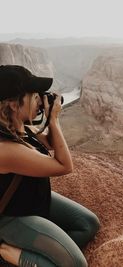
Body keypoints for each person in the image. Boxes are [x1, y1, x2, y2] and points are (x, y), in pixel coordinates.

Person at [0, 65, 100, 267]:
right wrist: (53, 120)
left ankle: (47, 254)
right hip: (12, 217)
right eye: (34, 95)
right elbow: (64, 165)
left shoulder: (18, 128)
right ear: (12, 104)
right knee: (76, 264)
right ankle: (13, 257)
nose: (40, 99)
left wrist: (51, 118)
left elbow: (54, 143)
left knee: (88, 224)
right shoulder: (5, 149)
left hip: (33, 200)